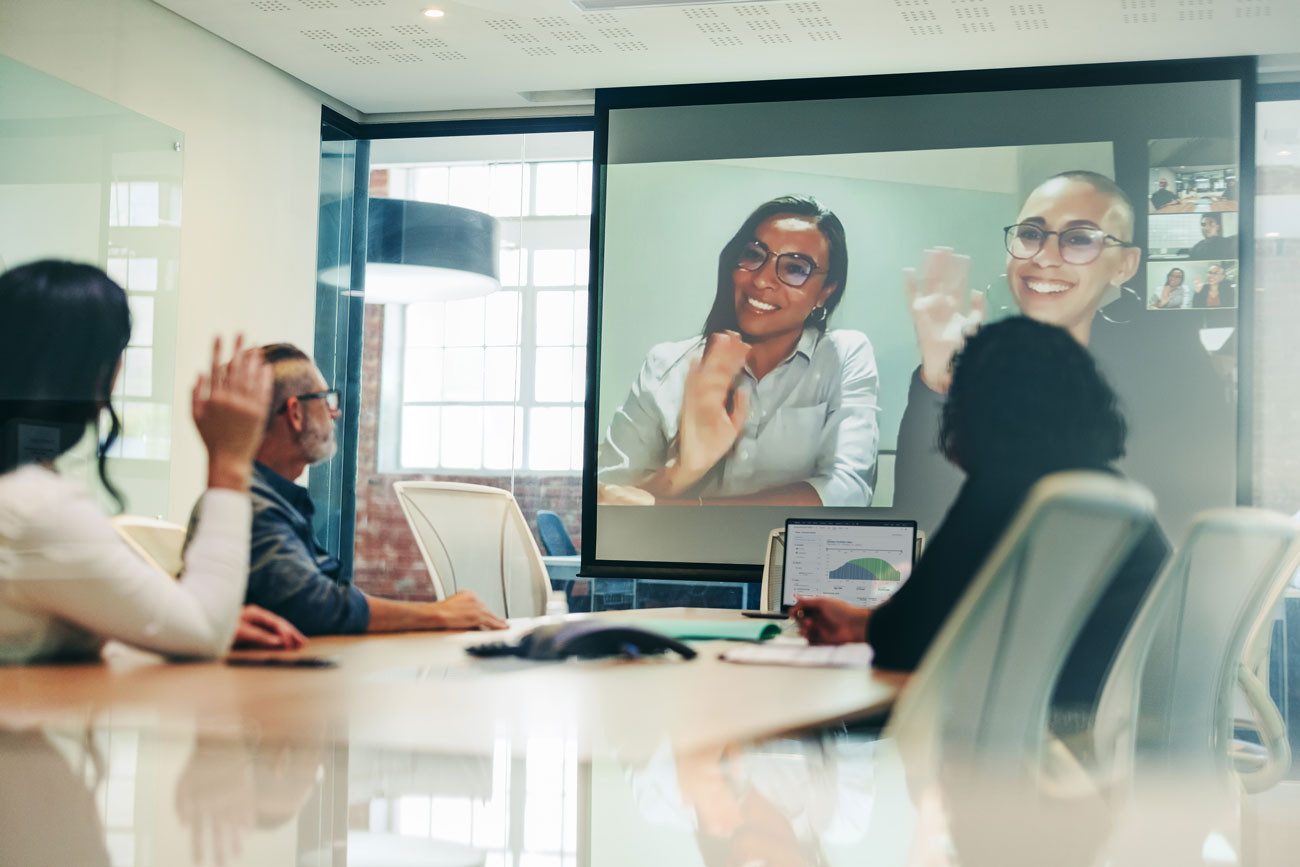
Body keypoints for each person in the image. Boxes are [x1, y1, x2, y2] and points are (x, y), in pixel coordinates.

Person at [795, 317, 1169, 722]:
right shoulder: (1107, 494)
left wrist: (874, 628)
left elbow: (904, 642)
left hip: (1022, 747)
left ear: (975, 406)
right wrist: (857, 623)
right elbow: (958, 619)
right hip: (1092, 742)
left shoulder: (1008, 490)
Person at [893, 170, 1233, 538]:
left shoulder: (1170, 367)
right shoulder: (983, 373)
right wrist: (939, 379)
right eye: (1030, 234)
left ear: (1125, 265)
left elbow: (1195, 527)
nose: (1045, 257)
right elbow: (919, 525)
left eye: (1079, 238)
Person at [0, 260, 278, 662]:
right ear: (92, 374)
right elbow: (204, 633)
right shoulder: (37, 508)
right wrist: (230, 462)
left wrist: (163, 617)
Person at [195, 343, 507, 636]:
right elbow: (314, 603)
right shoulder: (250, 505)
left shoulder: (273, 498)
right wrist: (440, 615)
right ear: (295, 413)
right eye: (326, 399)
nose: (335, 413)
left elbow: (326, 595)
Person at [597, 195, 879, 507]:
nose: (760, 279)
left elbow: (848, 489)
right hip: (675, 555)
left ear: (826, 292)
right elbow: (609, 497)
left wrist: (695, 510)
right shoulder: (666, 365)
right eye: (753, 254)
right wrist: (684, 470)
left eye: (796, 268)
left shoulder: (843, 356)